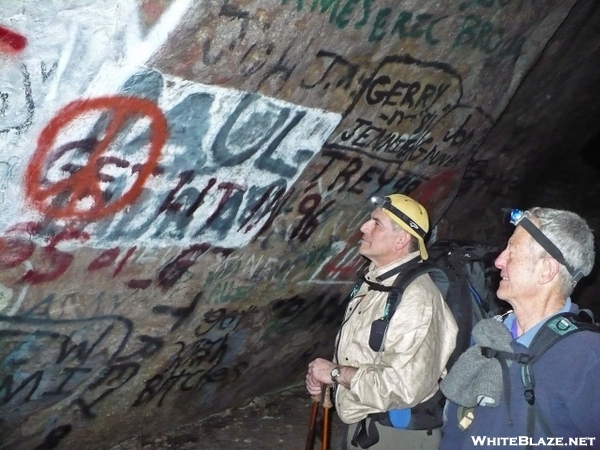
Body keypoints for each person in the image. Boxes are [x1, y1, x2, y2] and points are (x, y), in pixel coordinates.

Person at [306, 194, 458, 450]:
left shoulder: (417, 298)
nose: (364, 227)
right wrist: (328, 383)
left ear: (401, 240)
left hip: (396, 435)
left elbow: (401, 386)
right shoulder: (377, 284)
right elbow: (366, 358)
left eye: (376, 223)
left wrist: (334, 373)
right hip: (366, 425)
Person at [440, 207, 600, 449]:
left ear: (546, 270)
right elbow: (457, 429)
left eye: (512, 252)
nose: (498, 261)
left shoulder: (586, 357)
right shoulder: (490, 337)